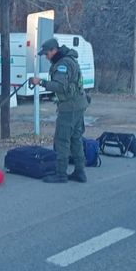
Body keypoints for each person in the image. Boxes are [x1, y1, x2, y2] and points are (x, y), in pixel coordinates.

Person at [30, 38, 88, 184]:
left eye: (47, 54)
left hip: (69, 107)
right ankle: (80, 172)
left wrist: (41, 82)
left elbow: (60, 87)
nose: (46, 57)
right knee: (76, 139)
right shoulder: (69, 60)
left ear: (53, 50)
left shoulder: (63, 64)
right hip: (78, 104)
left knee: (62, 140)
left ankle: (61, 174)